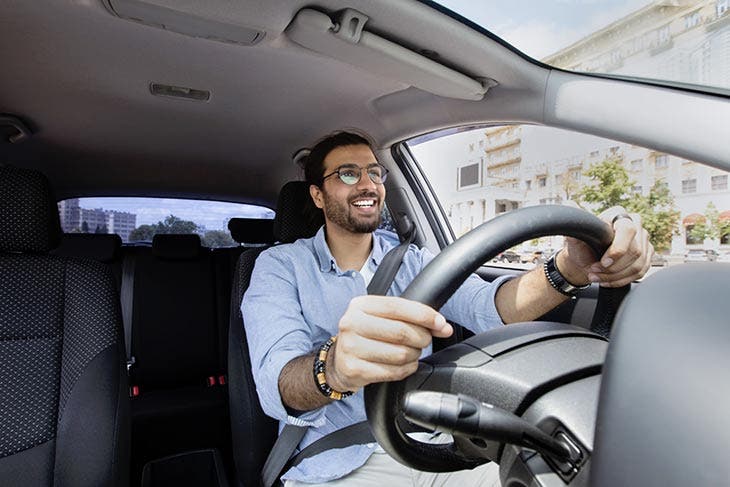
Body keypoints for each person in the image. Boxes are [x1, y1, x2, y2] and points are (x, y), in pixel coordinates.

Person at [242, 131, 653, 486]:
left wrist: (570, 268)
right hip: (336, 464)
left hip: (428, 446)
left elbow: (492, 308)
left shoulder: (413, 260)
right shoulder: (280, 267)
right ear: (317, 194)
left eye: (373, 172)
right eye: (348, 173)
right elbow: (277, 383)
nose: (366, 184)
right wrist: (334, 367)